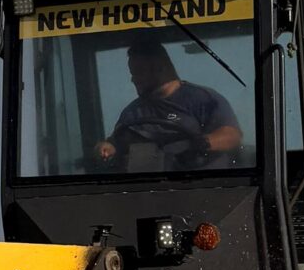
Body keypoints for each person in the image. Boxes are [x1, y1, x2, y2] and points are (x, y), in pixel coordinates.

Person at [97, 40, 242, 172]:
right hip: (145, 191)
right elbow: (113, 144)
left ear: (161, 68)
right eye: (132, 73)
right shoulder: (131, 113)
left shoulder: (203, 100)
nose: (133, 79)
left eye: (139, 72)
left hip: (202, 188)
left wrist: (200, 144)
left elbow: (232, 136)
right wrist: (106, 148)